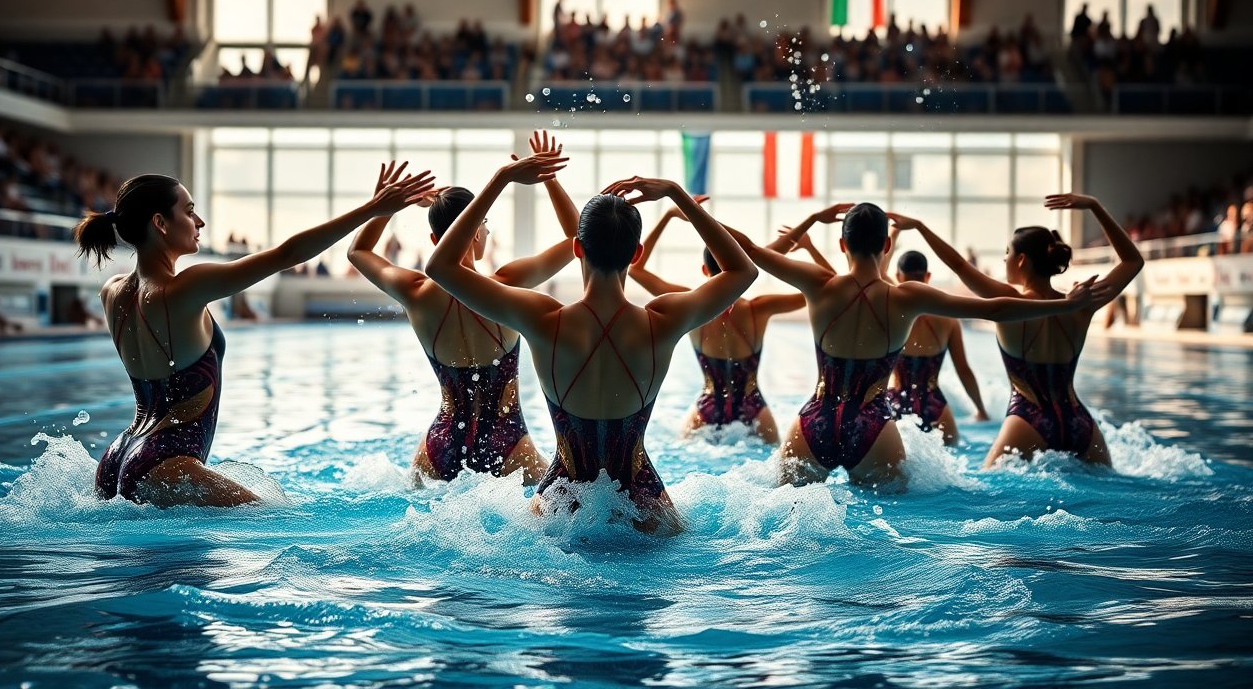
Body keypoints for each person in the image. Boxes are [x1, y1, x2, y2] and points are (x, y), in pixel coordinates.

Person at [425, 161, 757, 536]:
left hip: (560, 501)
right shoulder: (663, 320)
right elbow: (743, 271)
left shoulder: (542, 318)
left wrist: (500, 179)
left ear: (577, 248)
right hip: (642, 501)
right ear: (636, 253)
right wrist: (676, 194)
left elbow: (440, 266)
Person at [74, 169, 433, 507]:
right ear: (160, 223)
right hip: (166, 465)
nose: (199, 222)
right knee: (287, 521)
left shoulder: (113, 292)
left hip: (117, 459)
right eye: (190, 211)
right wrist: (373, 209)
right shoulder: (185, 288)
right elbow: (287, 255)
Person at [729, 203, 1106, 487]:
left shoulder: (819, 283)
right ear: (888, 244)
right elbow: (993, 309)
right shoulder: (907, 297)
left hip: (814, 420)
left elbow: (745, 250)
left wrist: (685, 205)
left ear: (842, 243)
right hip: (873, 426)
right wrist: (1066, 303)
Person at [346, 133, 578, 485]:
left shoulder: (415, 292)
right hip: (509, 445)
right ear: (476, 232)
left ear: (435, 241)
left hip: (439, 446)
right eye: (484, 225)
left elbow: (357, 252)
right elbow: (579, 239)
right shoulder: (506, 285)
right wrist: (550, 178)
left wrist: (387, 205)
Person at [888, 193, 1143, 468]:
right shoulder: (1081, 303)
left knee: (985, 492)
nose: (1004, 260)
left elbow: (959, 265)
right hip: (1078, 422)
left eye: (1007, 253)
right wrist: (1095, 206)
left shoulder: (1010, 302)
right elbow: (1132, 262)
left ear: (1021, 260)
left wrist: (921, 228)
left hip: (1027, 419)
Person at [628, 199, 822, 443]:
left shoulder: (690, 306)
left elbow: (635, 270)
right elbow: (820, 289)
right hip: (754, 409)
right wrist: (809, 246)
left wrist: (668, 216)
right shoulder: (758, 308)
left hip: (707, 408)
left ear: (703, 270)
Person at [883, 249, 990, 445]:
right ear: (928, 276)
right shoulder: (948, 319)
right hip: (935, 406)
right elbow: (963, 370)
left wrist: (894, 234)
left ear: (898, 276)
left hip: (895, 402)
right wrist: (981, 410)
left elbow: (879, 274)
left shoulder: (890, 314)